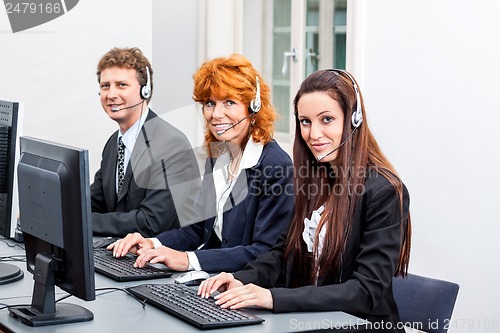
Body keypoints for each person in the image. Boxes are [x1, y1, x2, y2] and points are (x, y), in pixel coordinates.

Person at [198, 69, 412, 332]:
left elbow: (366, 291)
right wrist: (239, 279)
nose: (314, 133)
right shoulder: (311, 181)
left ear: (353, 120)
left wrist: (273, 298)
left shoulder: (383, 191)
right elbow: (281, 252)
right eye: (306, 121)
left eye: (327, 119)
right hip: (311, 321)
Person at [109, 54, 294, 273]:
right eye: (209, 103)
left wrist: (188, 260)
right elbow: (196, 230)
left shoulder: (276, 166)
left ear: (253, 107)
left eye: (229, 103)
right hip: (213, 280)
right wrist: (152, 243)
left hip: (247, 288)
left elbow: (264, 252)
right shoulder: (218, 156)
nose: (216, 114)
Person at [92, 47, 200, 237]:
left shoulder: (171, 145)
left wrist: (83, 222)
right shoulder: (114, 143)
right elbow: (93, 203)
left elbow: (151, 222)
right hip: (122, 254)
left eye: (121, 85)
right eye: (105, 86)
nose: (111, 94)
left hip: (159, 260)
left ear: (145, 89)